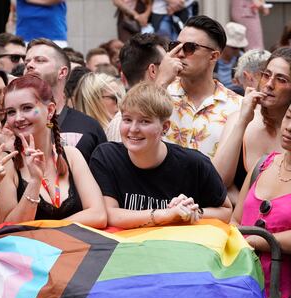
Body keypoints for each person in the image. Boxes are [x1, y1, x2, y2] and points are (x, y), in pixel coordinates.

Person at [89, 82, 232, 229]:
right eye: (127, 119)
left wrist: (190, 212)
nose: (133, 129)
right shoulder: (106, 156)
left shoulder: (194, 163)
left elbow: (226, 211)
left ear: (165, 127)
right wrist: (167, 214)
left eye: (145, 121)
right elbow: (110, 214)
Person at [0, 74, 106, 231]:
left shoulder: (71, 155)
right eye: (11, 112)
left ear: (50, 110)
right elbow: (9, 230)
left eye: (27, 108)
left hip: (77, 252)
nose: (18, 118)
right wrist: (34, 183)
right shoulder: (7, 163)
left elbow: (99, 215)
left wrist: (51, 229)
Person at [232, 105, 291, 298]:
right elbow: (234, 219)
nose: (289, 127)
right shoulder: (262, 164)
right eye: (289, 117)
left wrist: (264, 241)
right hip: (242, 296)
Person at [213, 47, 291, 202]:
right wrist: (242, 121)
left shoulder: (287, 132)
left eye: (281, 80)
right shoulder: (239, 118)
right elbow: (217, 180)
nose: (269, 84)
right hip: (237, 223)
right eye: (266, 75)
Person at [164, 15, 242, 159]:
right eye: (175, 46)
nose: (180, 54)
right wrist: (161, 82)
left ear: (213, 56)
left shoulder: (238, 107)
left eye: (189, 47)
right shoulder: (160, 94)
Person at [25, 38, 106, 162]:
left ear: (62, 72)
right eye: (26, 63)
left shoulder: (89, 127)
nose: (29, 65)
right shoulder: (16, 124)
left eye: (40, 60)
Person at [214, 22, 248, 91]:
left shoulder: (243, 59)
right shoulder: (213, 57)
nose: (237, 51)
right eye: (234, 48)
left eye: (239, 47)